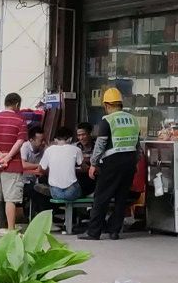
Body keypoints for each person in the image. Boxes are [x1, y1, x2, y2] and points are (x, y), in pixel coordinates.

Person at [80, 86, 141, 240]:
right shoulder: (133, 120)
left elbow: (100, 144)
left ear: (107, 105)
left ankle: (94, 232)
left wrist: (93, 163)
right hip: (130, 161)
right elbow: (138, 145)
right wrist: (135, 161)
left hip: (112, 162)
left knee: (101, 197)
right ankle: (114, 231)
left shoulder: (107, 121)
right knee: (121, 197)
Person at [0, 91, 27, 236]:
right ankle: (11, 230)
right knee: (10, 199)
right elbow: (20, 141)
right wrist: (8, 157)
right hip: (12, 166)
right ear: (17, 104)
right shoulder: (20, 121)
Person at [38, 128, 84, 209]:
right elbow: (84, 168)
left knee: (45, 180)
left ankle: (49, 188)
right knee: (85, 183)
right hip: (72, 193)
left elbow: (40, 169)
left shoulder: (49, 150)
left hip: (56, 193)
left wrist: (52, 170)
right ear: (70, 139)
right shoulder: (76, 149)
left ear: (55, 139)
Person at [21, 126, 47, 217]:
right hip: (23, 181)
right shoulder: (25, 147)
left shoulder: (44, 148)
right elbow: (23, 165)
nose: (43, 143)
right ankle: (42, 216)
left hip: (36, 179)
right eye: (41, 140)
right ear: (31, 140)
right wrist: (38, 166)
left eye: (44, 139)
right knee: (36, 191)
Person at [75, 123, 95, 198]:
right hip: (79, 179)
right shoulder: (75, 147)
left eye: (83, 135)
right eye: (78, 135)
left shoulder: (98, 146)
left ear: (90, 133)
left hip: (93, 178)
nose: (81, 138)